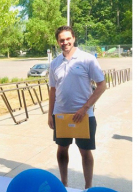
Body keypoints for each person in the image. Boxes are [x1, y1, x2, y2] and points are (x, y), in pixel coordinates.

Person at [47, 26, 106, 189]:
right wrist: (50, 114)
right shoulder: (54, 63)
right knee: (62, 150)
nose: (65, 42)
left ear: (73, 38)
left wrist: (84, 108)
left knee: (85, 152)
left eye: (67, 39)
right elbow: (52, 90)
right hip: (61, 115)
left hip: (84, 116)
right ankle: (63, 183)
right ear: (57, 42)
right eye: (61, 40)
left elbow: (102, 85)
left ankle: (88, 186)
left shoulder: (87, 59)